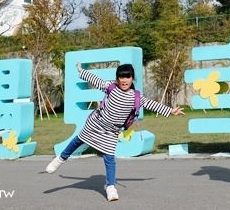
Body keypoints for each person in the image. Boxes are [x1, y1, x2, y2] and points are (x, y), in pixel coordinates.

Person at [45, 62, 185, 201]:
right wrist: (81, 71)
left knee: (109, 158)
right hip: (96, 123)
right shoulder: (111, 87)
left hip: (111, 132)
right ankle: (60, 159)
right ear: (117, 78)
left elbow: (152, 104)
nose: (124, 80)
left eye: (127, 77)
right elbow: (95, 80)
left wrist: (171, 110)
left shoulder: (136, 97)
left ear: (132, 78)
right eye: (121, 77)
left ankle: (110, 187)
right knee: (78, 140)